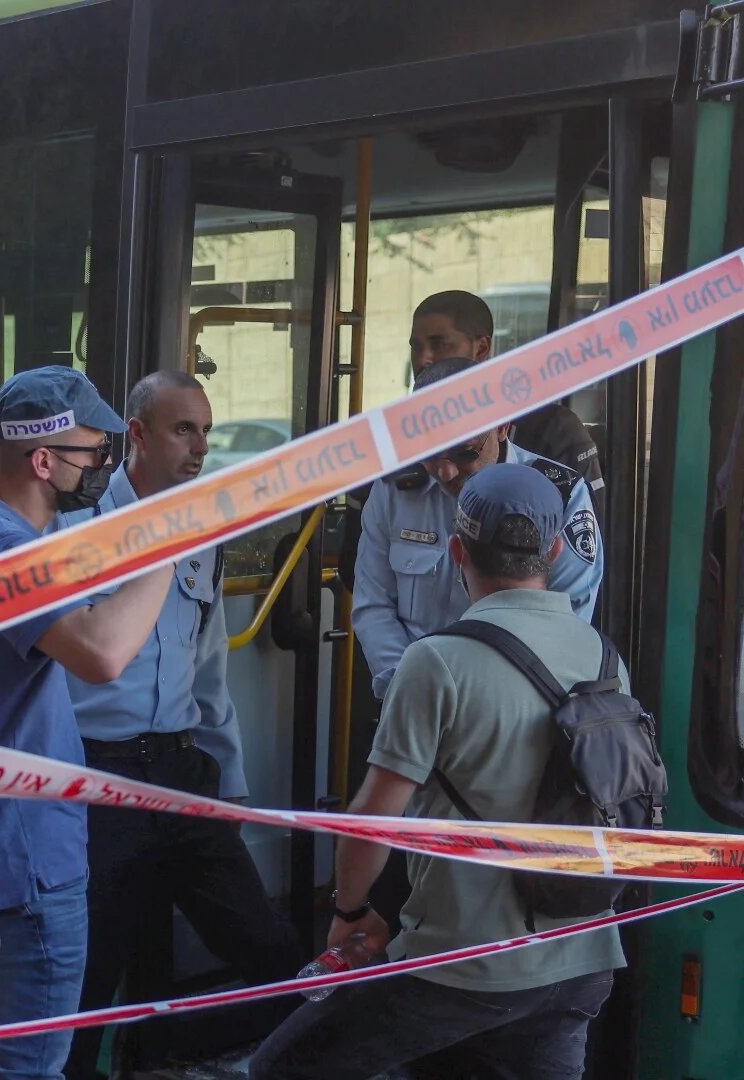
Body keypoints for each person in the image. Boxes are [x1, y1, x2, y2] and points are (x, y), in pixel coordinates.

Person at [249, 463, 627, 1080]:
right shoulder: (606, 659)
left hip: (462, 967)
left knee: (279, 1069)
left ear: (457, 551)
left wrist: (350, 912)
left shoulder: (437, 662)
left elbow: (373, 817)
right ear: (555, 551)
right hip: (583, 962)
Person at [0, 366, 173, 1080]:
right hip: (23, 868)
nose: (102, 468)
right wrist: (170, 544)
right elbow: (101, 652)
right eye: (91, 454)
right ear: (43, 459)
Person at [55, 371, 302, 1080]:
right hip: (98, 779)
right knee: (88, 979)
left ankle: (196, 1057)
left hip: (182, 774)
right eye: (182, 429)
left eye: (206, 431)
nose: (199, 448)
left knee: (271, 954)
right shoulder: (78, 528)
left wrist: (232, 790)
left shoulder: (200, 532)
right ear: (136, 434)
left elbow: (207, 675)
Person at [353, 356, 601, 702]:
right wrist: (410, 692)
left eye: (464, 454)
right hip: (410, 697)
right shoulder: (394, 489)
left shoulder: (559, 495)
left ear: (503, 426)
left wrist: (476, 711)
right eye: (429, 453)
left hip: (514, 709)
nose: (445, 472)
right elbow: (374, 604)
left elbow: (567, 626)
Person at [410, 290, 604, 503]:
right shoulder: (402, 440)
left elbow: (589, 524)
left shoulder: (553, 431)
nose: (423, 359)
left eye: (439, 344)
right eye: (416, 347)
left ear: (481, 348)